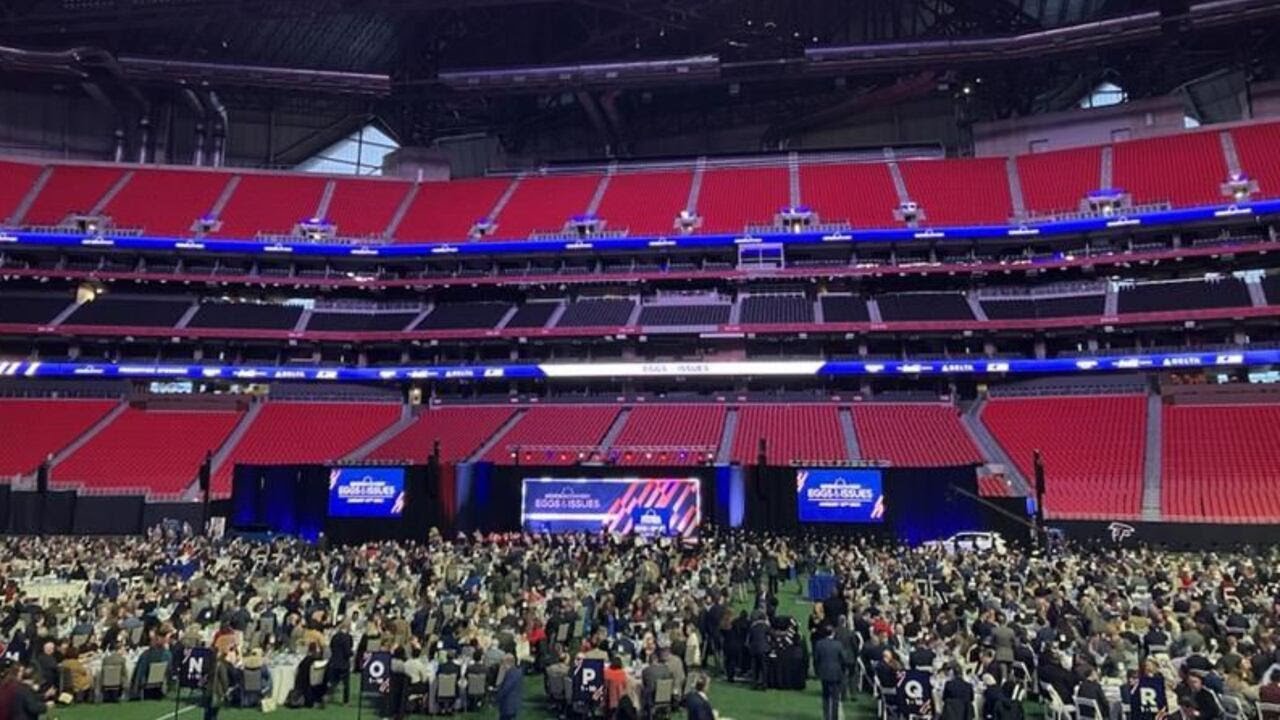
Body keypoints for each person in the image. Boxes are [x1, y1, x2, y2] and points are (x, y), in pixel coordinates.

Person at [814, 625, 850, 720]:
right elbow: (843, 659)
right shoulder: (838, 644)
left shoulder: (819, 644)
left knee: (825, 696)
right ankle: (834, 717)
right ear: (833, 634)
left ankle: (826, 716)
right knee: (835, 698)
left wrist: (817, 671)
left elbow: (816, 659)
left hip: (824, 673)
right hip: (836, 673)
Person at [747, 611, 771, 690]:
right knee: (764, 667)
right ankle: (764, 684)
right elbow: (772, 634)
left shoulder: (753, 626)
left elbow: (749, 639)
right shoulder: (766, 626)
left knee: (755, 667)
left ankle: (754, 684)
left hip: (754, 649)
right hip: (763, 649)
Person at [494, 654, 522, 720]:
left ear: (508, 663)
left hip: (508, 704)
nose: (502, 666)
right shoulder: (516, 672)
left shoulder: (511, 674)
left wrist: (497, 697)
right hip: (511, 704)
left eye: (503, 664)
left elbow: (505, 689)